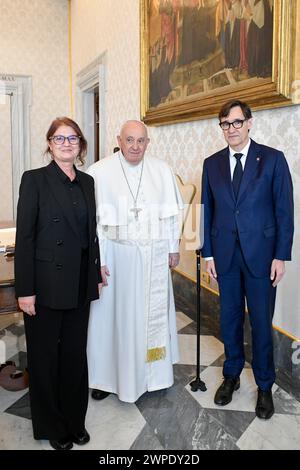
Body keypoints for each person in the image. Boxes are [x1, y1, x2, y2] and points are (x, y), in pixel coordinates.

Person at [201, 100, 293, 419]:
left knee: (260, 324)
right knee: (229, 321)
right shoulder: (211, 164)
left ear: (250, 123)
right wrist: (208, 253)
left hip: (262, 258)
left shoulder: (272, 159)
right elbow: (208, 211)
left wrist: (281, 255)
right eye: (225, 124)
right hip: (224, 258)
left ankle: (265, 386)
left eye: (237, 122)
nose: (231, 130)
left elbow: (284, 211)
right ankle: (232, 376)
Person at [14, 117, 102, 450]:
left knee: (75, 356)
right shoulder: (34, 180)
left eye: (72, 138)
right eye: (59, 138)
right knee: (45, 358)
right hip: (46, 284)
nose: (66, 143)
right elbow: (25, 238)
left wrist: (97, 269)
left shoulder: (88, 182)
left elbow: (90, 235)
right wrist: (25, 290)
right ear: (49, 144)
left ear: (81, 144)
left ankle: (74, 421)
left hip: (80, 282)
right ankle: (53, 426)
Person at [86, 120, 183, 403]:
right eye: (130, 140)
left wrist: (173, 247)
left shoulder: (161, 170)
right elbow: (93, 224)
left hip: (153, 257)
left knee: (151, 317)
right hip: (116, 258)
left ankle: (156, 373)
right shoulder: (99, 172)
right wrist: (98, 261)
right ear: (119, 139)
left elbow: (171, 216)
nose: (135, 146)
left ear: (148, 142)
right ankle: (106, 377)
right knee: (114, 318)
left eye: (141, 141)